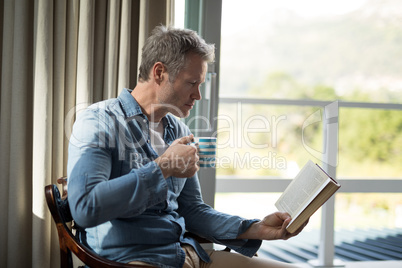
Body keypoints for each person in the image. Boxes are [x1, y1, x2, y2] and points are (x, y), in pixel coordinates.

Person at [67, 25, 308, 268]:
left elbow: (192, 211)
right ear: (159, 72)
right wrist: (162, 167)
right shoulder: (99, 121)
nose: (198, 95)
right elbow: (85, 208)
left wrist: (256, 229)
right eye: (192, 83)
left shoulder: (179, 131)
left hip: (187, 257)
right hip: (130, 261)